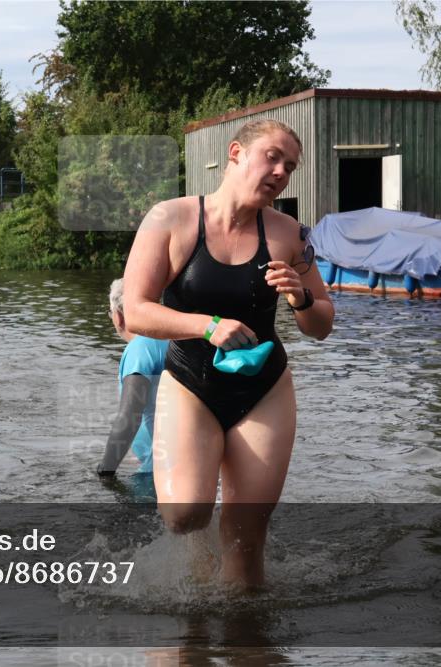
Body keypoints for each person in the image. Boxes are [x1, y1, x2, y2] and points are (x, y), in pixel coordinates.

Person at [122, 118, 334, 589]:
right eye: (273, 157)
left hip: (264, 388)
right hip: (190, 384)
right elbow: (135, 312)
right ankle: (197, 572)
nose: (281, 172)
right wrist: (207, 326)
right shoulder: (169, 218)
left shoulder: (291, 235)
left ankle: (246, 643)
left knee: (245, 537)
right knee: (184, 515)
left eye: (291, 167)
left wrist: (301, 297)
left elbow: (321, 325)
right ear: (236, 153)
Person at [96, 278, 168, 477]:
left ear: (118, 316)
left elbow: (129, 416)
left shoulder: (139, 349)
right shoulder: (176, 338)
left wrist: (105, 470)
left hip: (159, 471)